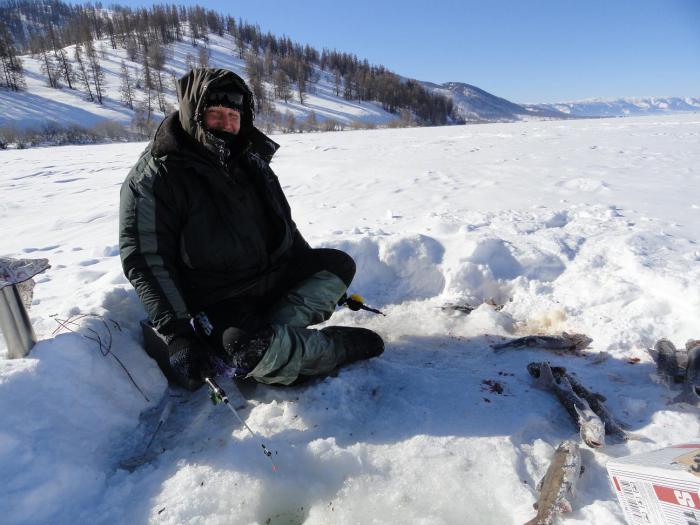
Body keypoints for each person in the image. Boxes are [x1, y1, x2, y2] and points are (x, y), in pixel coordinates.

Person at [119, 68, 383, 391]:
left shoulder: (250, 159)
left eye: (234, 115)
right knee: (246, 349)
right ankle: (330, 348)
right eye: (216, 115)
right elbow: (146, 260)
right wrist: (176, 332)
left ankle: (272, 339)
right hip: (218, 300)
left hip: (270, 279)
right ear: (194, 114)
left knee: (338, 266)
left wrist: (313, 273)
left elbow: (284, 227)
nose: (227, 124)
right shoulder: (155, 178)